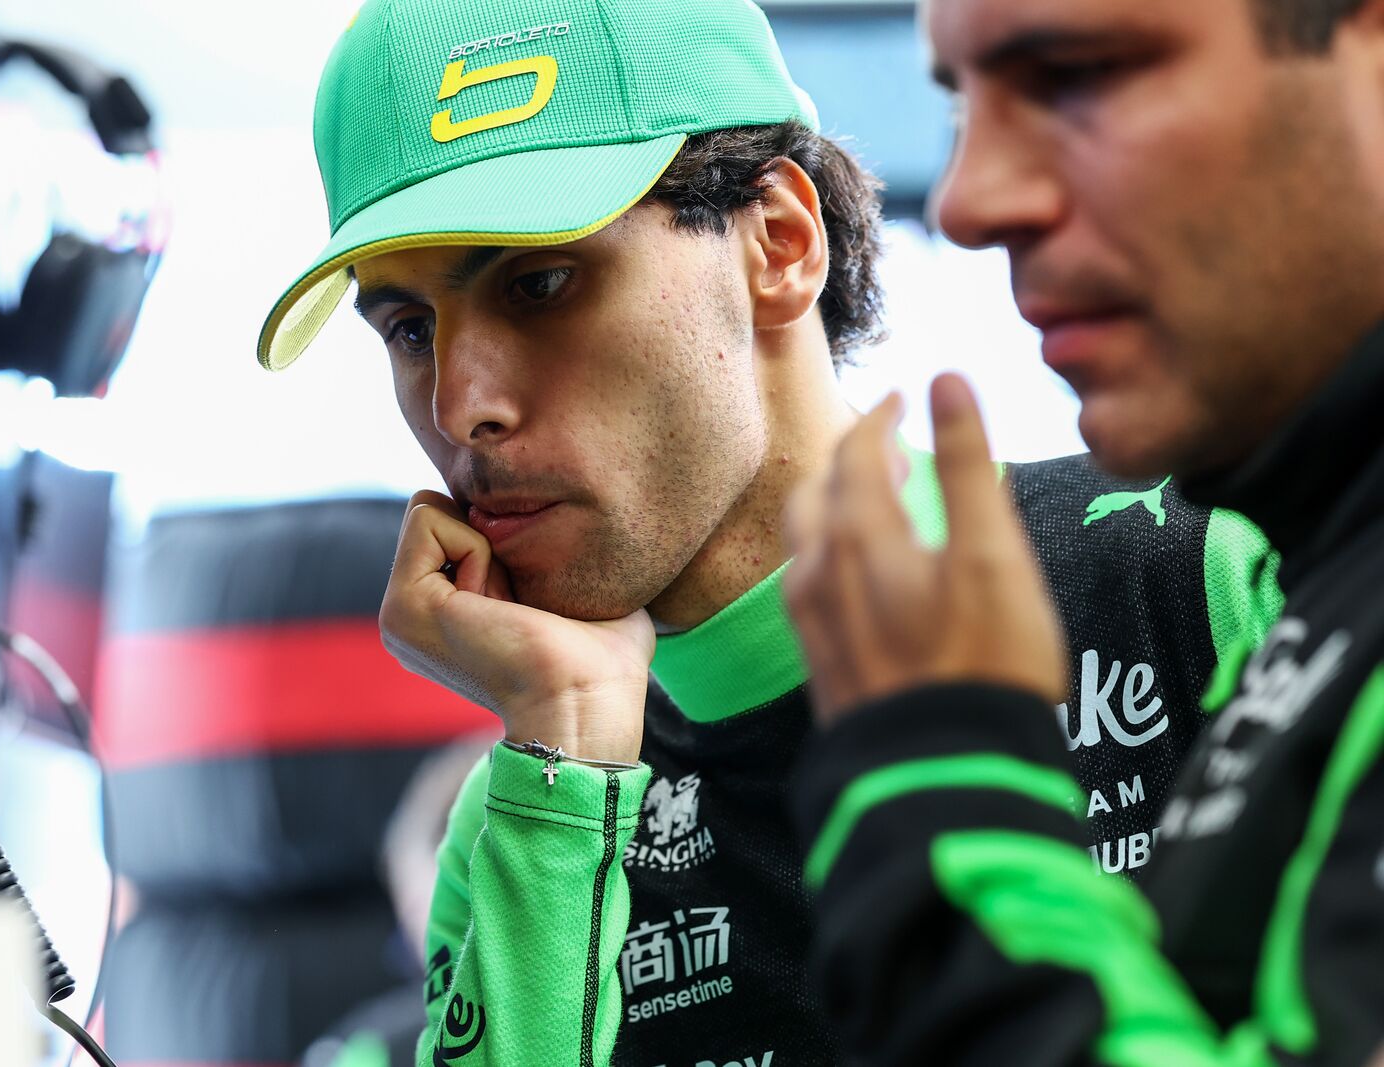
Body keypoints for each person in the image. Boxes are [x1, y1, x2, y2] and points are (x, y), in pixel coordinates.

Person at [255, 0, 1280, 1063]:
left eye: (540, 282)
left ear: (780, 244)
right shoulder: (529, 805)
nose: (460, 402)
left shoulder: (1199, 569)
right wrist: (563, 731)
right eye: (410, 330)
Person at [783, 0, 1384, 1063]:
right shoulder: (1328, 557)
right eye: (964, 103)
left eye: (1074, 74)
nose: (968, 200)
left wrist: (945, 789)